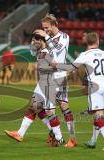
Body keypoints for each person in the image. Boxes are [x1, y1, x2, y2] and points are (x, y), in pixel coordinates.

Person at [52, 32, 104, 151]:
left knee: (98, 114)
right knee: (98, 113)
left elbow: (71, 68)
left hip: (95, 87)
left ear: (87, 42)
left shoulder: (85, 55)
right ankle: (93, 141)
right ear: (98, 41)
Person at [5, 31, 65, 147]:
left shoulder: (47, 52)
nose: (33, 43)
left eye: (35, 41)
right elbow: (35, 53)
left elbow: (56, 66)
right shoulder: (41, 52)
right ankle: (20, 134)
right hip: (41, 85)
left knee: (49, 112)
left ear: (40, 41)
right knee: (34, 108)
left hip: (48, 85)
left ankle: (59, 138)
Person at [33, 13, 77, 147]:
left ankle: (69, 138)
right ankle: (54, 133)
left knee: (63, 108)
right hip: (48, 77)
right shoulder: (48, 38)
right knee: (38, 106)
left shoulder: (64, 37)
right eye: (43, 28)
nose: (45, 30)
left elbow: (57, 49)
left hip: (59, 77)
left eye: (47, 27)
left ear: (53, 25)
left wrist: (45, 37)